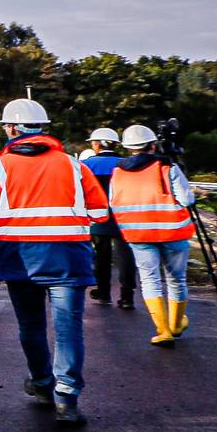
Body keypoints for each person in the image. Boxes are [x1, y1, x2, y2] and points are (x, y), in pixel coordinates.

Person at [0, 99, 112, 426]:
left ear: (11, 129)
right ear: (43, 129)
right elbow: (100, 213)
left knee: (31, 326)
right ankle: (68, 397)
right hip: (67, 258)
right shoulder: (76, 167)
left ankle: (42, 383)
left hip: (19, 259)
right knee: (68, 329)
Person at [109, 124, 200, 345]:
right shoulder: (167, 167)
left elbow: (113, 201)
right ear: (153, 145)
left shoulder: (118, 172)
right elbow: (187, 200)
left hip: (138, 235)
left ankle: (163, 330)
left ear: (128, 147)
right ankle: (176, 324)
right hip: (172, 232)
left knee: (150, 280)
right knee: (176, 279)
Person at [79, 128, 138, 310]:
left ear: (97, 144)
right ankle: (127, 295)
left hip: (98, 217)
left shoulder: (87, 164)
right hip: (125, 216)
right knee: (126, 255)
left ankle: (103, 291)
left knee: (101, 256)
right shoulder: (127, 164)